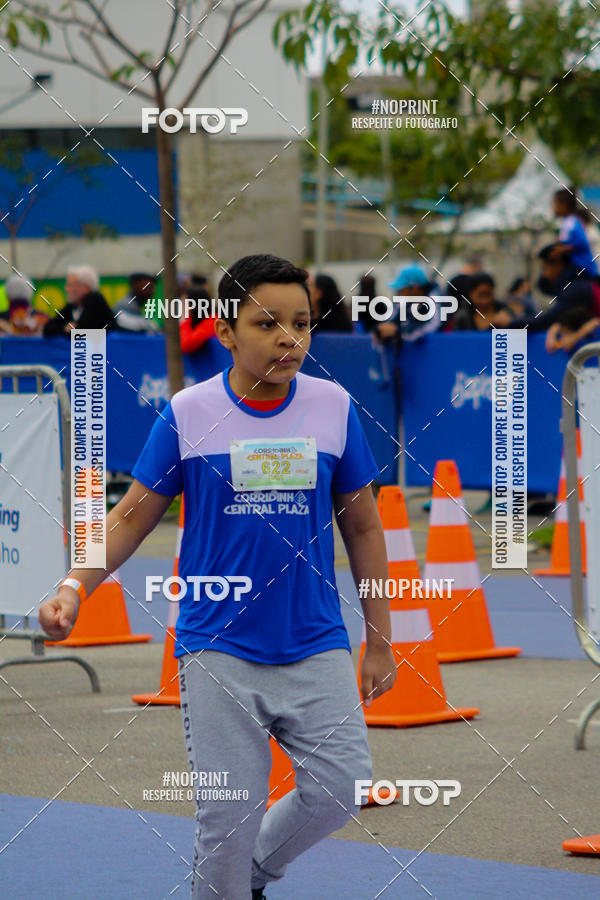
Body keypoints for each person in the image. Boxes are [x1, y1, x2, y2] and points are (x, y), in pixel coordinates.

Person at [38, 253, 395, 900]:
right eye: (267, 324)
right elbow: (127, 518)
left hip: (315, 642)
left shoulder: (334, 407)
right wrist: (73, 587)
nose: (289, 338)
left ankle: (255, 873)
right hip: (217, 646)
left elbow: (365, 529)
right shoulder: (190, 412)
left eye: (302, 323)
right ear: (225, 332)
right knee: (226, 821)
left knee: (338, 791)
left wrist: (380, 638)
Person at [500, 244, 596, 331]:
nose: (545, 275)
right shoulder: (576, 283)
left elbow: (545, 322)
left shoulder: (576, 289)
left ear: (558, 263)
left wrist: (510, 322)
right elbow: (544, 288)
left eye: (544, 268)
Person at [43, 265, 115, 335]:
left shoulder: (94, 299)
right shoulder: (72, 306)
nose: (66, 289)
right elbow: (47, 329)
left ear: (86, 288)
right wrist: (64, 328)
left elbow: (81, 331)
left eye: (71, 285)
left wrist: (71, 329)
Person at [552, 187, 598, 278]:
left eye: (555, 203)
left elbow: (582, 242)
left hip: (583, 267)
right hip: (576, 265)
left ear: (564, 205)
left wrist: (562, 249)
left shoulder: (571, 222)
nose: (553, 207)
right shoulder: (567, 222)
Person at [179, 285, 217, 354]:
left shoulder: (213, 322)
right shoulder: (194, 321)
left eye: (185, 302)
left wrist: (186, 319)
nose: (182, 306)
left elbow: (187, 344)